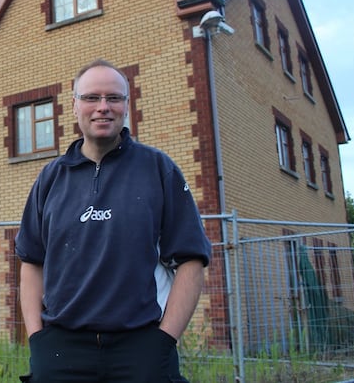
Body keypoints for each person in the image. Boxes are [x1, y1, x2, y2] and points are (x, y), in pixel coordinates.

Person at [15, 59, 212, 382]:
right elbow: (31, 262)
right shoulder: (51, 178)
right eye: (92, 98)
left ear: (126, 105)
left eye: (114, 98)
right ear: (74, 105)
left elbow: (191, 260)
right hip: (61, 349)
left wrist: (164, 340)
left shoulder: (158, 170)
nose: (103, 107)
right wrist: (38, 339)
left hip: (141, 349)